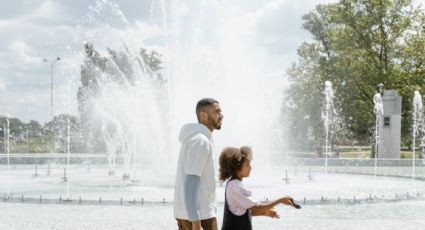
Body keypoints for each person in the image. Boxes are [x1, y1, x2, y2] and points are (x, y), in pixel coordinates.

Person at [174, 98, 224, 230]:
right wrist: (196, 221)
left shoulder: (197, 138)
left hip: (191, 215)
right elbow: (191, 182)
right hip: (201, 217)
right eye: (217, 112)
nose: (221, 115)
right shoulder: (200, 141)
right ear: (203, 115)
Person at [219, 146, 297, 230]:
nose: (251, 168)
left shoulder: (234, 184)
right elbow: (255, 207)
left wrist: (263, 213)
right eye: (247, 165)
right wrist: (280, 200)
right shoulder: (235, 186)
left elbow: (241, 210)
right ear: (237, 167)